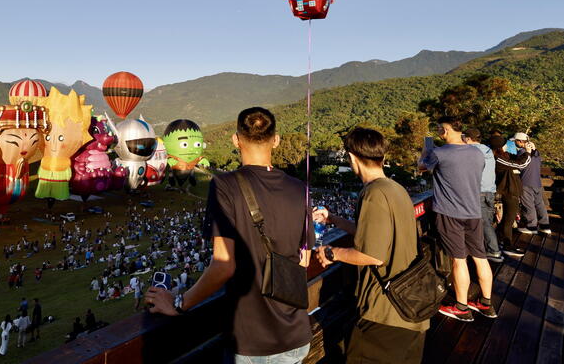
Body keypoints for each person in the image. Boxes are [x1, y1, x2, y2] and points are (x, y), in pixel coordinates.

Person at [146, 107, 313, 362]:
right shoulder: (300, 188)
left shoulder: (225, 185)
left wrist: (179, 303)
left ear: (236, 140)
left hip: (252, 341)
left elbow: (223, 265)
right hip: (296, 335)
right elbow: (304, 260)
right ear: (276, 140)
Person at [315, 128, 428, 363]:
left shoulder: (373, 194)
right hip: (410, 307)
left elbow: (373, 255)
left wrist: (330, 252)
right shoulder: (395, 189)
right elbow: (374, 234)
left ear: (352, 158)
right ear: (382, 158)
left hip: (385, 313)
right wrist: (333, 219)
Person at [419, 116, 495, 322]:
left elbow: (421, 167)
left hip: (450, 213)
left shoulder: (439, 153)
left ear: (446, 130)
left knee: (459, 260)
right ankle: (486, 303)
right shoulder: (477, 153)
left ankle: (461, 307)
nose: (439, 133)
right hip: (473, 212)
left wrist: (425, 152)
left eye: (440, 129)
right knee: (481, 257)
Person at [462, 129, 503, 263]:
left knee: (485, 224)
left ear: (468, 138)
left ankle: (494, 251)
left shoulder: (470, 151)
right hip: (490, 191)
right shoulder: (487, 150)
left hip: (478, 191)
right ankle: (489, 247)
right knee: (487, 222)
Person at [490, 135, 531, 257]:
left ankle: (501, 241)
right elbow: (521, 164)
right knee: (509, 219)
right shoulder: (498, 158)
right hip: (508, 191)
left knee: (508, 219)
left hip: (513, 190)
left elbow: (519, 159)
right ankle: (507, 245)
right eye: (505, 143)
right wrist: (527, 153)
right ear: (500, 146)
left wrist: (528, 151)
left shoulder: (505, 155)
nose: (507, 145)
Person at [514, 133, 551, 235]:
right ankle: (545, 226)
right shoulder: (537, 153)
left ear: (521, 142)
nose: (514, 143)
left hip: (526, 182)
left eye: (515, 141)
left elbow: (520, 166)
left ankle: (532, 227)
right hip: (537, 182)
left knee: (528, 205)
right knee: (540, 205)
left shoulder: (522, 153)